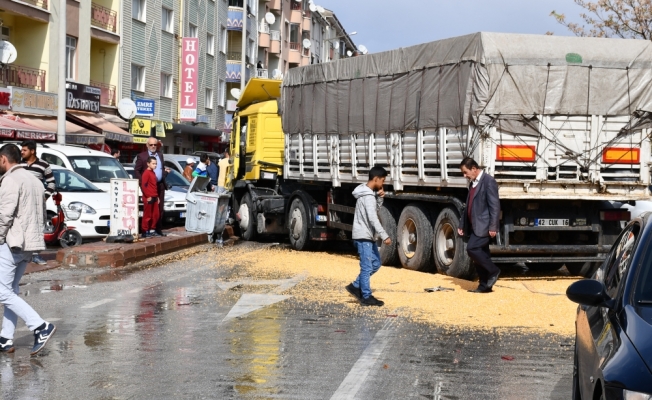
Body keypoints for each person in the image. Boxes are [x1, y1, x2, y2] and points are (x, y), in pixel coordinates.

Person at [0, 144, 56, 355]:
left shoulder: (10, 180)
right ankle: (6, 338)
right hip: (29, 244)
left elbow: (4, 215)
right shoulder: (34, 180)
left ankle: (40, 326)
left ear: (4, 159)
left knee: (2, 291)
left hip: (12, 242)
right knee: (10, 290)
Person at [345, 166, 391, 307]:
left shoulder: (368, 194)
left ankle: (355, 286)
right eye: (382, 180)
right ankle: (366, 296)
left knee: (376, 263)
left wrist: (380, 199)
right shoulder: (368, 196)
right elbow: (373, 218)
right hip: (363, 235)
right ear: (376, 179)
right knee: (366, 267)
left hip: (367, 235)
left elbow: (373, 210)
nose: (382, 183)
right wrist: (384, 236)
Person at [457, 157, 501, 293]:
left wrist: (493, 226)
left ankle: (494, 270)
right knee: (482, 256)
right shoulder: (473, 183)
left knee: (472, 249)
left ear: (474, 169)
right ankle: (484, 286)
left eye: (465, 172)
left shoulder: (488, 181)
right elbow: (468, 205)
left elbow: (494, 206)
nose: (465, 176)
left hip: (484, 226)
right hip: (473, 225)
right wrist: (462, 224)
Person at [20, 140, 55, 266]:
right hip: (22, 202)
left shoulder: (44, 165)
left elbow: (51, 183)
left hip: (37, 203)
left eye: (24, 150)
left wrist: (44, 197)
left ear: (32, 151)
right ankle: (22, 254)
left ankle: (35, 255)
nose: (22, 152)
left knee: (37, 226)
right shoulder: (19, 165)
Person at [134, 137, 168, 237]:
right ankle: (146, 230)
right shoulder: (142, 156)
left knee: (159, 209)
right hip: (149, 187)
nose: (153, 146)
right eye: (151, 145)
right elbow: (137, 171)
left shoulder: (160, 155)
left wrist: (164, 173)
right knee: (148, 210)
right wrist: (143, 184)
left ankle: (157, 229)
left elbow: (161, 168)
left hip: (159, 185)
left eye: (155, 145)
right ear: (147, 145)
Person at [140, 156, 160, 238]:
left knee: (155, 215)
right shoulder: (146, 173)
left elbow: (154, 185)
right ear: (148, 164)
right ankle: (145, 231)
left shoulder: (153, 172)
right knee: (147, 215)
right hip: (149, 197)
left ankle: (152, 230)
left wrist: (157, 196)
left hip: (154, 196)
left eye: (156, 164)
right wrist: (148, 196)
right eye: (153, 163)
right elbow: (144, 186)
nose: (155, 165)